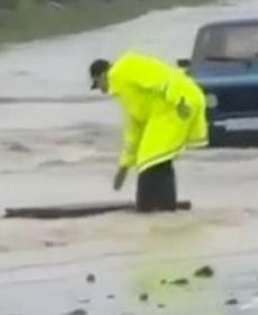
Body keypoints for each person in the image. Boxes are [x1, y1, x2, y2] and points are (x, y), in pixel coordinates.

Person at [89, 52, 208, 212]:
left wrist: (179, 99)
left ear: (101, 75)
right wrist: (124, 167)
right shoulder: (125, 94)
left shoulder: (124, 67)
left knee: (149, 160)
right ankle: (166, 210)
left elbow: (159, 80)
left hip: (177, 102)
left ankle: (146, 210)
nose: (101, 90)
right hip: (169, 109)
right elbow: (134, 131)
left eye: (97, 84)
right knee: (160, 160)